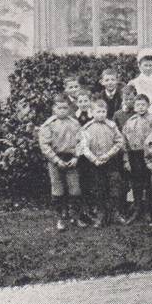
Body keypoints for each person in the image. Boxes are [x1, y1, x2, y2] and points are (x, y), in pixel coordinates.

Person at [78, 98, 125, 227]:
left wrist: (108, 155)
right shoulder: (87, 128)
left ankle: (115, 213)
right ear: (92, 112)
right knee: (98, 189)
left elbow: (119, 141)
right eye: (98, 112)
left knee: (114, 187)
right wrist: (94, 159)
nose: (101, 114)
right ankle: (101, 214)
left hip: (110, 161)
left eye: (103, 112)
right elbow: (84, 147)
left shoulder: (112, 125)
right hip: (95, 164)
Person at [39, 95, 83, 231]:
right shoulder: (48, 125)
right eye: (59, 108)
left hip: (72, 159)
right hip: (55, 160)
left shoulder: (74, 123)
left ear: (69, 109)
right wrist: (56, 160)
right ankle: (60, 218)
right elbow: (45, 146)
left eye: (65, 108)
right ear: (54, 109)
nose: (63, 111)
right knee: (58, 190)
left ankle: (75, 216)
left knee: (75, 190)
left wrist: (76, 157)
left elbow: (81, 141)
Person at [121, 93, 152, 225]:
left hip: (148, 155)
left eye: (143, 105)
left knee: (148, 183)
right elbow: (124, 141)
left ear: (148, 105)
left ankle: (149, 210)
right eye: (138, 105)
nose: (141, 107)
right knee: (136, 183)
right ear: (134, 106)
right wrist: (126, 159)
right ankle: (137, 209)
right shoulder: (130, 121)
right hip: (134, 156)